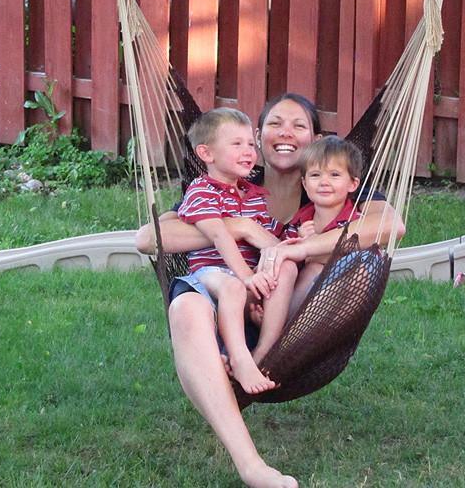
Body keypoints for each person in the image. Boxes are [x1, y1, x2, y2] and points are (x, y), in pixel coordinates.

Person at [135, 93, 405, 488]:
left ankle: (258, 361)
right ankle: (251, 465)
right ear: (258, 136)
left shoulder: (332, 179)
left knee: (329, 264)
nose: (286, 133)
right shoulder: (234, 185)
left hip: (298, 326)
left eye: (299, 125)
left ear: (314, 138)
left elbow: (389, 226)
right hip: (227, 302)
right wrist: (242, 228)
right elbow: (150, 237)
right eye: (275, 123)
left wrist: (296, 248)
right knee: (185, 309)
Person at [174, 108, 296, 395]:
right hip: (209, 277)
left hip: (248, 280)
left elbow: (273, 235)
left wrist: (302, 235)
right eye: (236, 144)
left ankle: (264, 351)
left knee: (287, 266)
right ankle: (238, 357)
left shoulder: (254, 196)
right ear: (206, 153)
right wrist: (245, 277)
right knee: (232, 287)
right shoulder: (202, 191)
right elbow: (218, 234)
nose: (248, 151)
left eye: (251, 144)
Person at [282, 135, 364, 316]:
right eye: (315, 175)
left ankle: (293, 325)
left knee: (316, 268)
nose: (324, 182)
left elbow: (363, 258)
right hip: (297, 295)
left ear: (353, 184)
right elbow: (283, 255)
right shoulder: (300, 221)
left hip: (334, 306)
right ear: (304, 183)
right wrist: (299, 241)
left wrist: (311, 251)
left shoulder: (357, 222)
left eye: (334, 175)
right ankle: (282, 322)